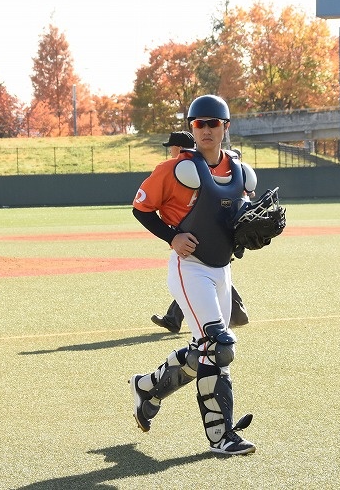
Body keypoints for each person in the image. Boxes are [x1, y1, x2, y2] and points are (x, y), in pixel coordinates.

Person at [130, 94, 259, 455]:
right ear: (191, 127)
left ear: (225, 127)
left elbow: (242, 219)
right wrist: (172, 236)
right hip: (189, 268)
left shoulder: (241, 172)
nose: (205, 129)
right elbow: (141, 208)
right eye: (198, 124)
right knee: (219, 345)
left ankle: (147, 388)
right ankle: (222, 436)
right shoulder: (175, 169)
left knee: (204, 350)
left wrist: (253, 233)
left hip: (222, 270)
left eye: (213, 123)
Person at [150, 131, 250, 333]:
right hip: (197, 249)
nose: (170, 151)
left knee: (205, 278)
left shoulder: (215, 169)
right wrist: (172, 236)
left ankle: (234, 313)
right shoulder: (176, 170)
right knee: (203, 280)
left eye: (172, 147)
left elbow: (239, 203)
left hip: (214, 246)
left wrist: (240, 238)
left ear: (180, 148)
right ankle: (235, 313)